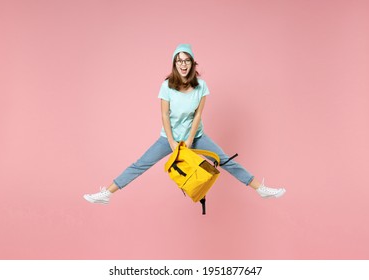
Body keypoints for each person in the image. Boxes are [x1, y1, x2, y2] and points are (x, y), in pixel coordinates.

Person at [83, 44, 286, 204]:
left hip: (196, 137)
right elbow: (164, 115)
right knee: (140, 164)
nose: (183, 64)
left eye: (186, 60)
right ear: (174, 63)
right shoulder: (167, 86)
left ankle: (261, 190)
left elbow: (198, 115)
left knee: (224, 161)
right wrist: (171, 141)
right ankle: (107, 194)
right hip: (168, 138)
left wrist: (190, 139)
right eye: (179, 60)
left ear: (192, 63)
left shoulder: (201, 87)